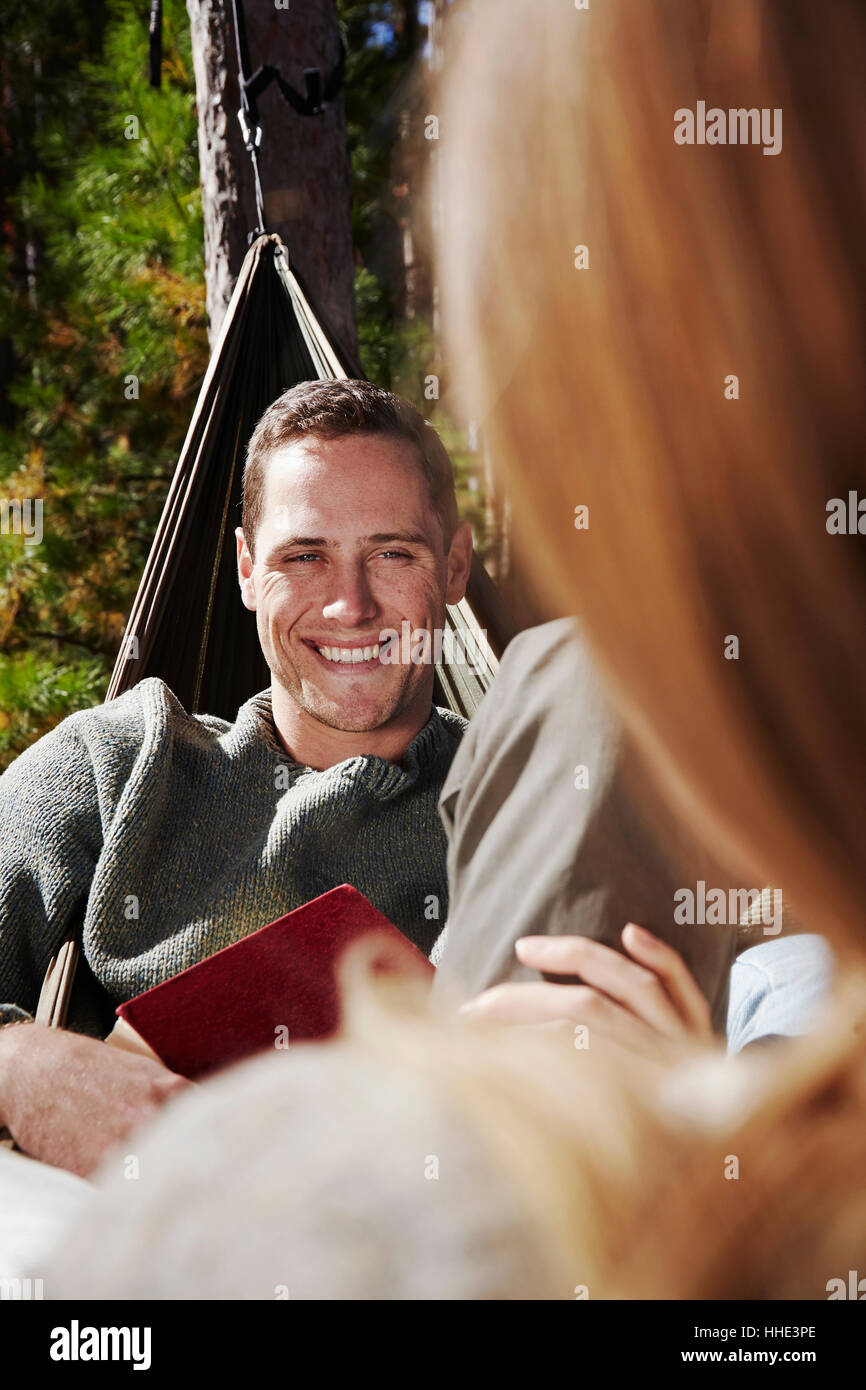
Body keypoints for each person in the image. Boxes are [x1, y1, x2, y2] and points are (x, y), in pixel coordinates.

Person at [0, 378, 473, 1175]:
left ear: (456, 566)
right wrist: (16, 1067)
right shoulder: (118, 768)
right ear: (249, 570)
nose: (350, 605)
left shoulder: (532, 804)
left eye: (392, 553)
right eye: (304, 556)